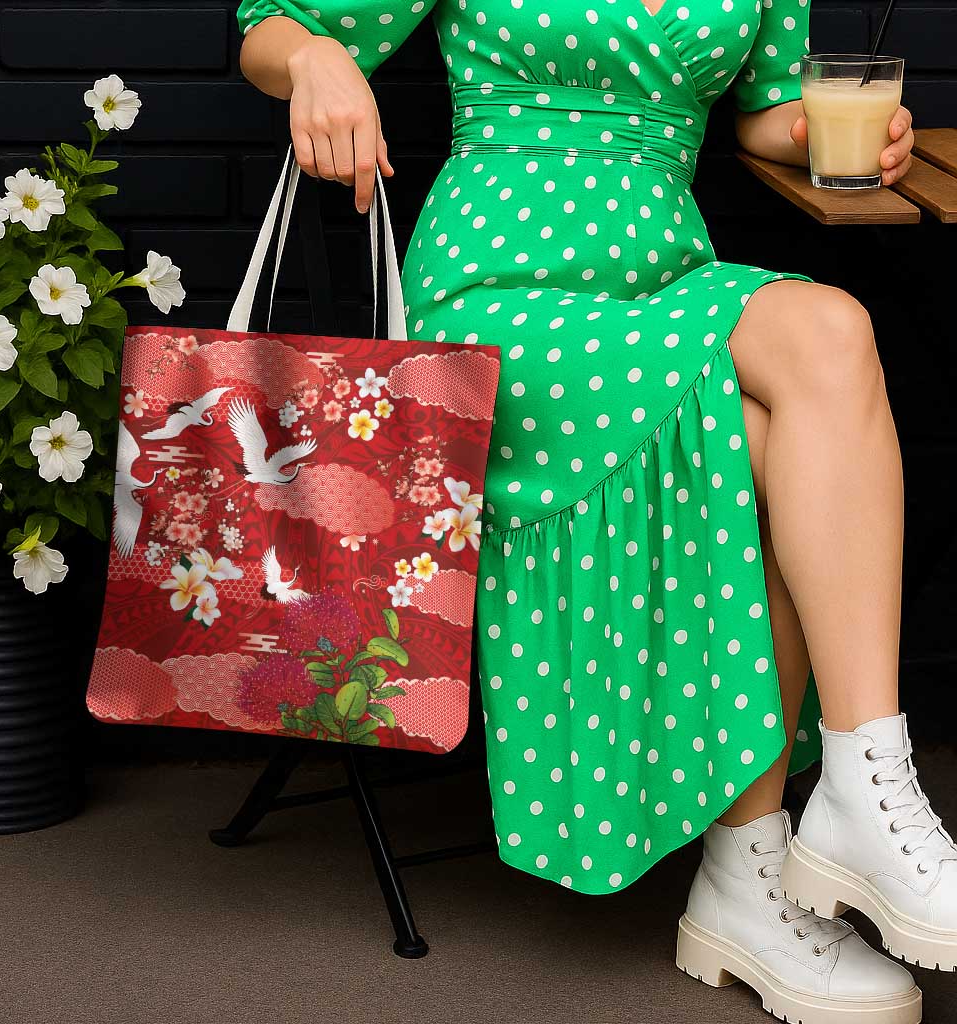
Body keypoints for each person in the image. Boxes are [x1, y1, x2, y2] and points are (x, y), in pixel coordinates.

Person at [236, 2, 954, 1020]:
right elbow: (268, 22)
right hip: (496, 295)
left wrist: (818, 124)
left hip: (663, 281)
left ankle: (813, 824)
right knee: (798, 381)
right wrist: (312, 57)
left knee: (815, 376)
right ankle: (794, 846)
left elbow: (760, 107)